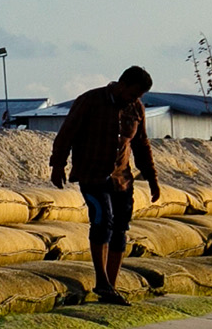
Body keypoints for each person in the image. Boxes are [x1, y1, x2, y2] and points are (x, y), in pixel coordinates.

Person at [49, 65, 165, 305]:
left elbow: (141, 145)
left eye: (139, 97)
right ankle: (101, 281)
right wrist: (58, 165)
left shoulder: (136, 108)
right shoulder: (90, 101)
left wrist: (153, 180)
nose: (134, 99)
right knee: (103, 221)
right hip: (92, 175)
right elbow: (66, 134)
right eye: (133, 94)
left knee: (120, 229)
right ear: (122, 85)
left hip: (121, 179)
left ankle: (110, 287)